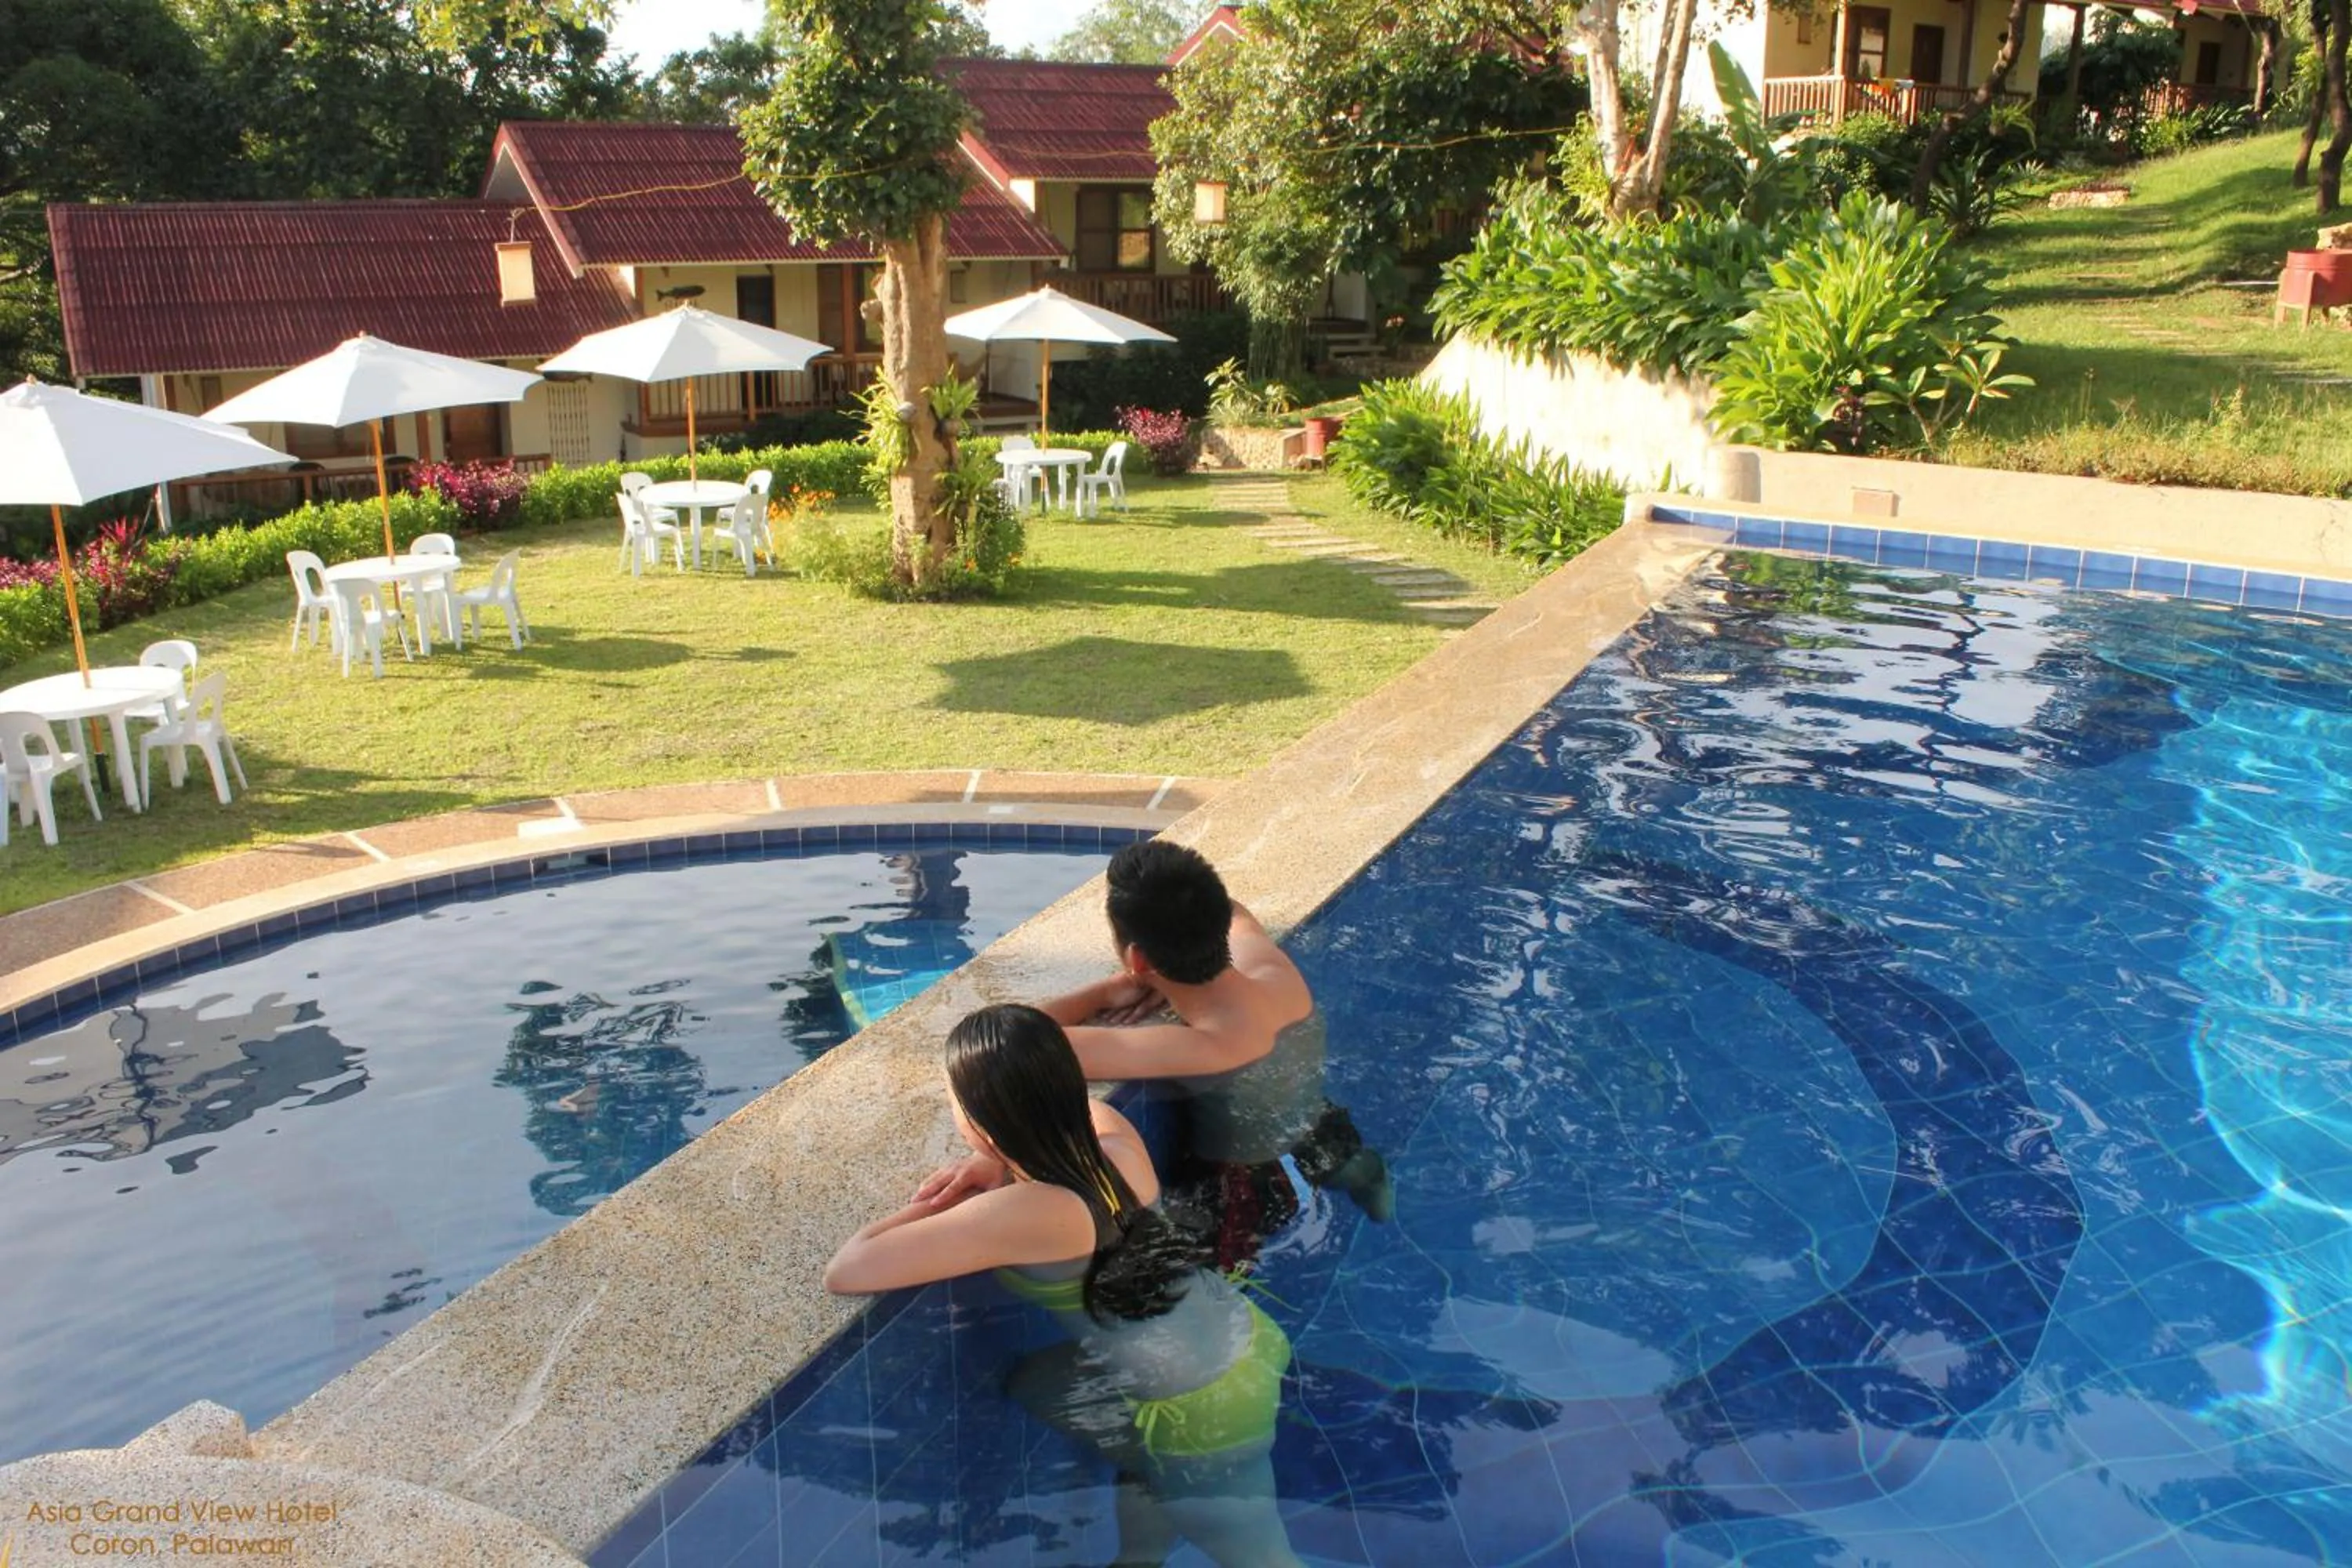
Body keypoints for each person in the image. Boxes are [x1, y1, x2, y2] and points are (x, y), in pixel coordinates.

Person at [826, 1004, 1303, 1568]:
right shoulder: (1118, 1152)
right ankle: (1140, 1558)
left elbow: (848, 1269)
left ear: (978, 1120)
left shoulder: (1023, 1213)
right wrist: (997, 1158)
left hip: (1203, 1410)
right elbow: (1093, 1112)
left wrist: (946, 1198)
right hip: (1243, 1336)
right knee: (1039, 1384)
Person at [1039, 841, 1393, 1272]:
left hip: (1249, 1187)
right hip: (1318, 1131)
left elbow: (1010, 1043)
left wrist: (1106, 990)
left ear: (1136, 958)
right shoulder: (1273, 972)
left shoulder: (1198, 1047)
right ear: (1216, 924)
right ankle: (1375, 1197)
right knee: (1352, 1170)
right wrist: (1164, 970)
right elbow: (1237, 912)